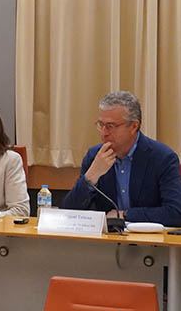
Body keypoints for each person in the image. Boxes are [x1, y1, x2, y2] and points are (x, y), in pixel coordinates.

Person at [62, 91, 181, 226]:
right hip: (107, 238)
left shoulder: (163, 158)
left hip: (149, 238)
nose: (104, 133)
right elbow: (68, 213)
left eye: (110, 126)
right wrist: (91, 175)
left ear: (134, 126)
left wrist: (124, 215)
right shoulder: (95, 156)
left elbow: (175, 213)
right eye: (101, 125)